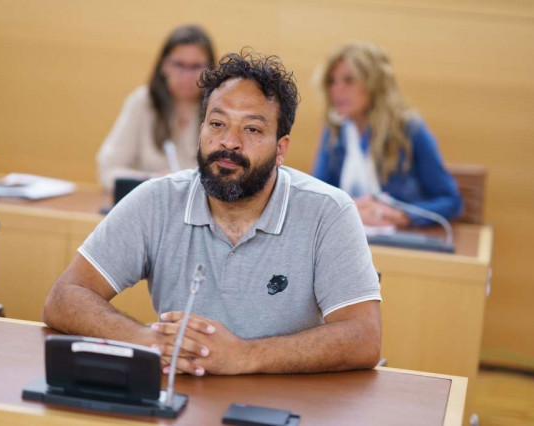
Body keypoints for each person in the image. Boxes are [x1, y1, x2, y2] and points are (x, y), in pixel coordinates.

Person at [44, 51, 382, 377]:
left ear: (280, 149)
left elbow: (364, 337)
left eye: (251, 129)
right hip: (180, 397)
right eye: (217, 124)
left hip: (286, 404)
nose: (229, 142)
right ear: (201, 130)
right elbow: (64, 297)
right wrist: (147, 341)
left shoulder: (328, 212)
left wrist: (245, 356)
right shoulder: (156, 200)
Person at [312, 41, 462, 227]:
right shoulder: (335, 130)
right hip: (348, 240)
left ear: (373, 84)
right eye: (332, 81)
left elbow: (451, 201)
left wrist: (404, 216)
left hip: (397, 243)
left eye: (349, 80)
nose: (337, 90)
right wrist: (350, 208)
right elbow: (318, 198)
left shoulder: (409, 129)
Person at [96, 25, 216, 192]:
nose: (187, 76)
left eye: (196, 66)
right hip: (151, 204)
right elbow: (108, 171)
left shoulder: (220, 109)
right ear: (164, 66)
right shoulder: (142, 102)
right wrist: (152, 181)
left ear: (210, 69)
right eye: (179, 65)